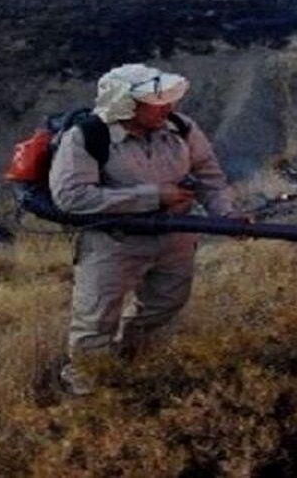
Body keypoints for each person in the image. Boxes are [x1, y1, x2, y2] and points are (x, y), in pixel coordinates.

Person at [49, 63, 239, 395]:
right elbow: (72, 197)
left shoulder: (181, 128)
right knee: (95, 322)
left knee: (165, 304)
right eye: (156, 101)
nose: (167, 107)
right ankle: (87, 391)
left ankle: (129, 363)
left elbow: (209, 174)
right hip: (113, 244)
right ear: (125, 104)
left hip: (175, 238)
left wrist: (226, 213)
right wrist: (152, 196)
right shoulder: (87, 137)